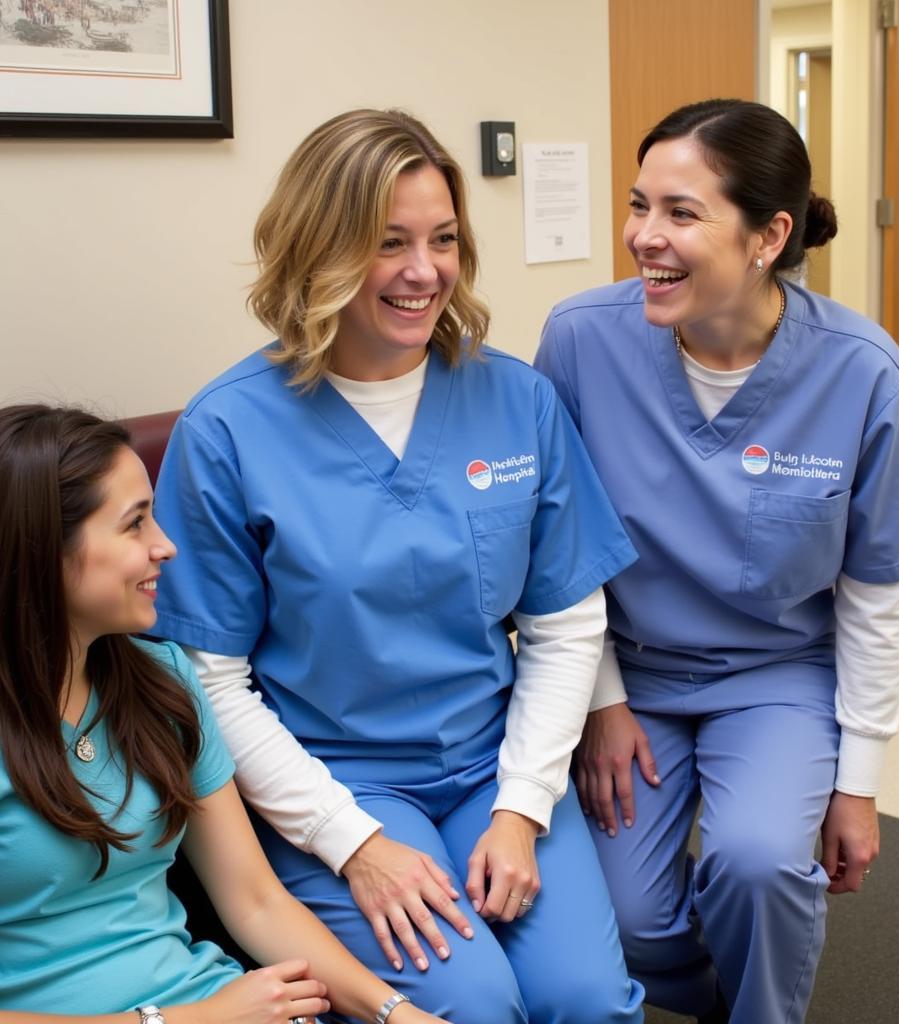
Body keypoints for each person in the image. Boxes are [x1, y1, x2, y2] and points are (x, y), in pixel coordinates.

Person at [150, 109, 645, 1024]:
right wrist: (352, 842)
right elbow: (208, 680)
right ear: (321, 249)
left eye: (444, 239)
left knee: (588, 1002)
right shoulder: (226, 430)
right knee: (476, 1008)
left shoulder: (516, 398)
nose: (425, 272)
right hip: (332, 779)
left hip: (493, 764)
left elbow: (565, 621)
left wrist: (523, 806)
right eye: (389, 243)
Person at [534, 98, 899, 1024]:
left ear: (769, 235)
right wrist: (602, 700)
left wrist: (857, 785)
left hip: (778, 675)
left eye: (681, 214)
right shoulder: (581, 341)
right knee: (632, 921)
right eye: (638, 204)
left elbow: (875, 599)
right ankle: (731, 980)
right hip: (630, 677)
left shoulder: (864, 372)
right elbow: (557, 551)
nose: (643, 237)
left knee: (760, 866)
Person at [0, 404, 448, 1024]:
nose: (166, 547)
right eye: (134, 526)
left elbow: (257, 901)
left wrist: (396, 1013)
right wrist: (188, 1020)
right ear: (44, 547)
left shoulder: (162, 680)